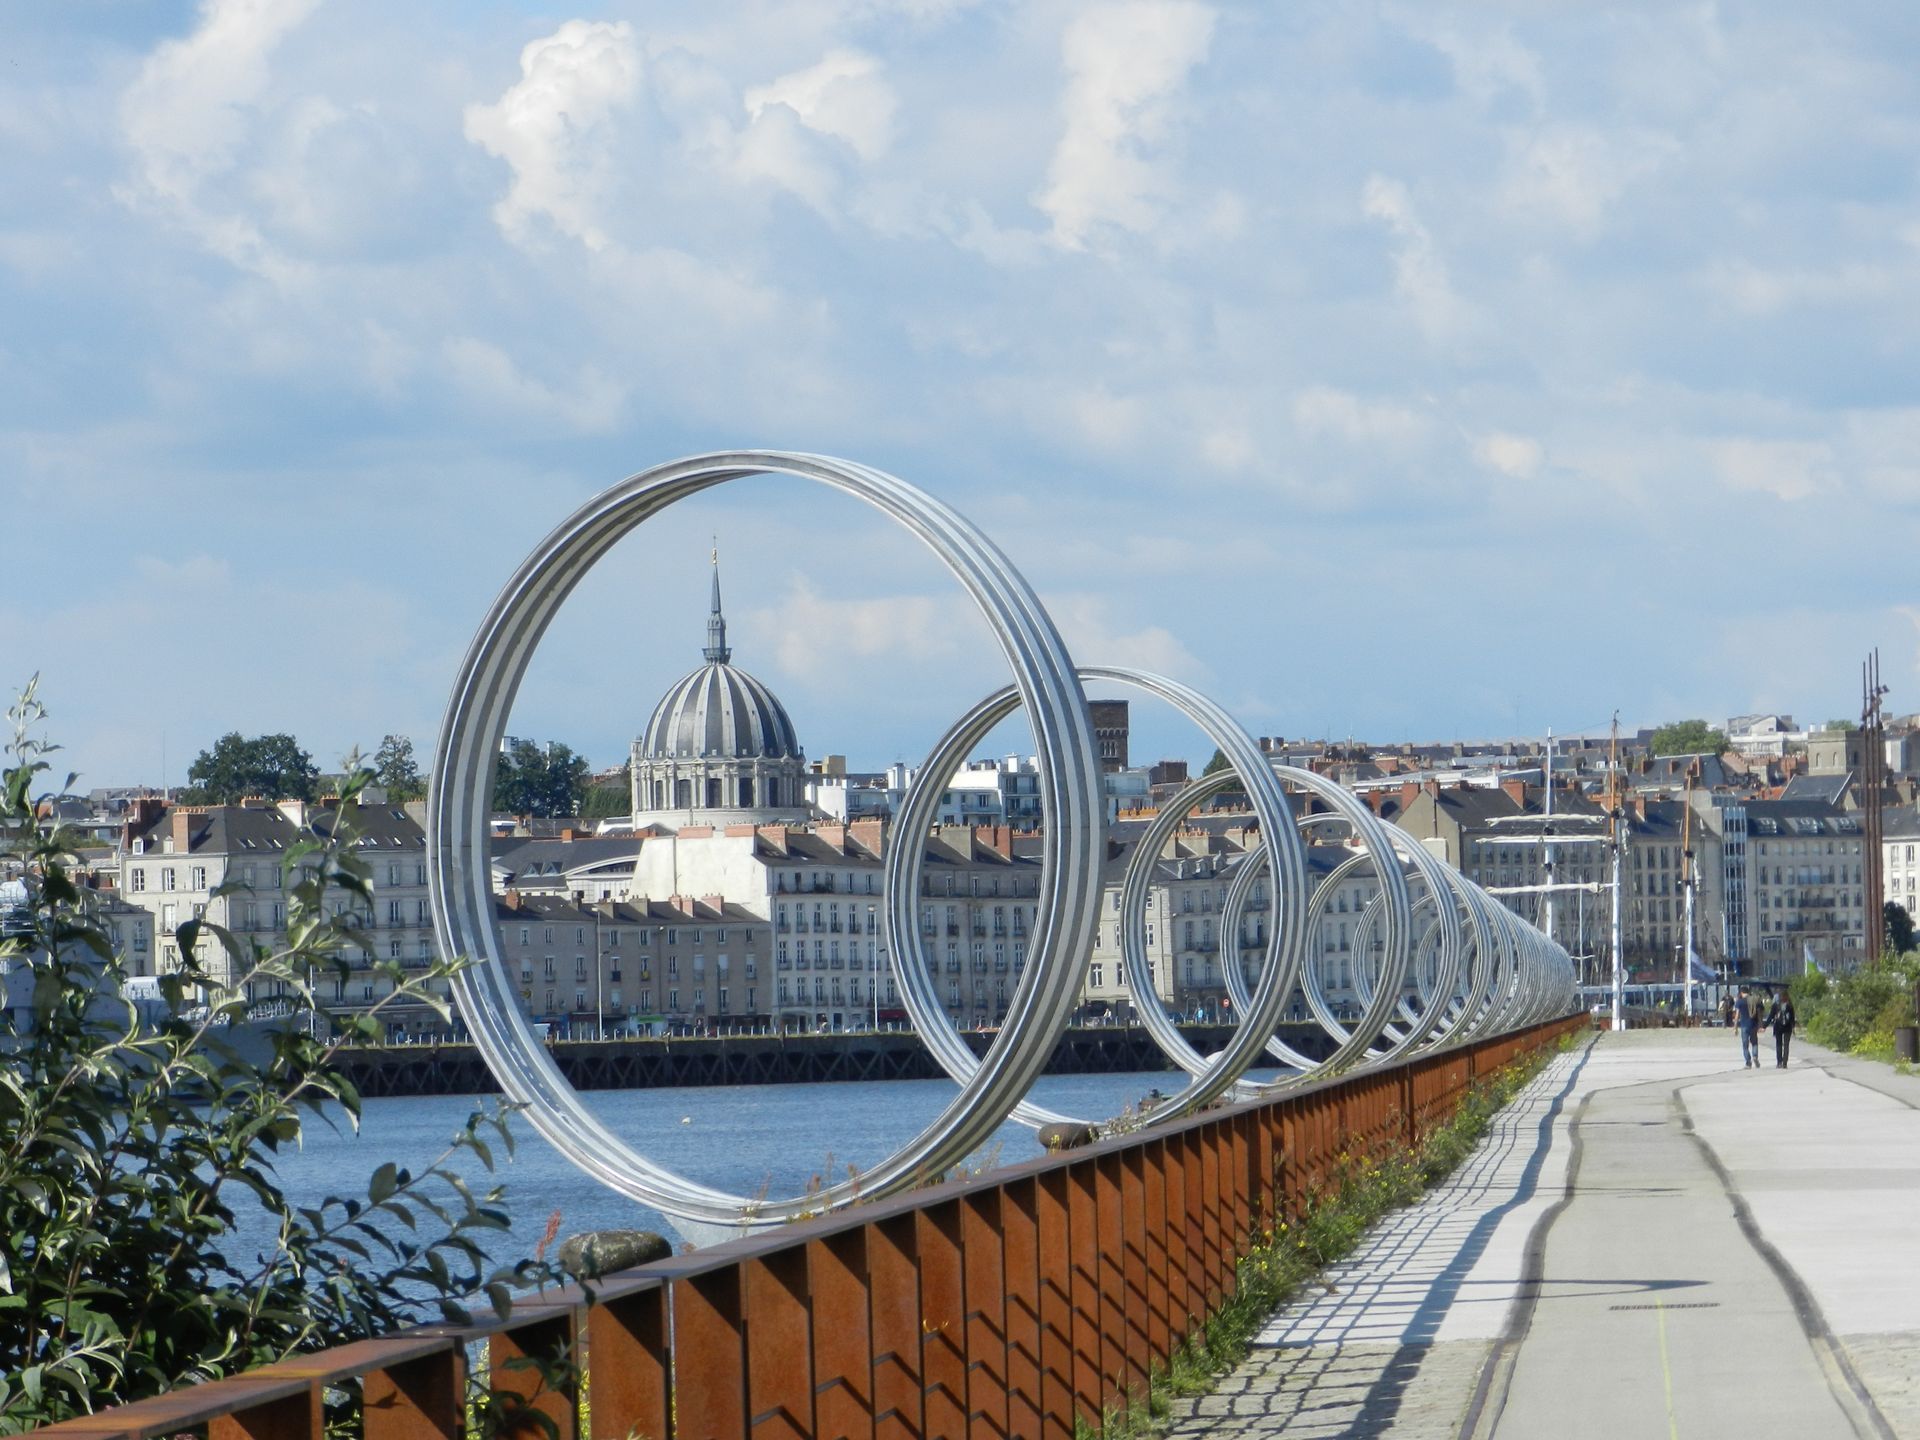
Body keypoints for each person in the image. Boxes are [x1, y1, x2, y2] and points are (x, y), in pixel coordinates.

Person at [1769, 991, 1796, 1068]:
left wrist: (1764, 1026)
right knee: (1786, 1045)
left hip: (1778, 1027)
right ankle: (1785, 1063)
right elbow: (1792, 1018)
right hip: (1788, 1027)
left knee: (1779, 1045)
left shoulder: (1775, 1005)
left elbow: (1770, 1016)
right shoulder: (1790, 1005)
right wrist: (1793, 1028)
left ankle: (1779, 1062)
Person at [1737, 987, 1763, 1068]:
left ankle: (1748, 1062)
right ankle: (1755, 1056)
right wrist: (1760, 1024)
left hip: (1744, 1025)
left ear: (1741, 993)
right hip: (1753, 1025)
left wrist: (1735, 1027)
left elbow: (1737, 1015)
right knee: (1754, 1042)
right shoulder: (1755, 1001)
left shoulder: (1740, 1002)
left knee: (1745, 1045)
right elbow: (1759, 1013)